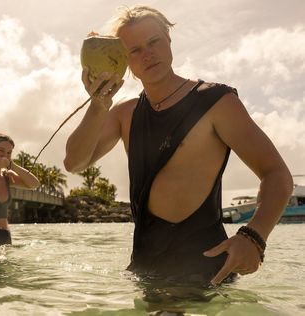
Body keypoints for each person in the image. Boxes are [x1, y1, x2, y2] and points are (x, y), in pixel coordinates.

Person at [64, 6, 293, 285]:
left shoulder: (216, 102)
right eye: (134, 50)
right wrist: (98, 105)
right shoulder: (125, 114)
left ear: (168, 40)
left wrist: (254, 237)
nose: (147, 54)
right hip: (145, 270)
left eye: (154, 42)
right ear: (123, 60)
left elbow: (277, 174)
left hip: (206, 271)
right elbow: (74, 162)